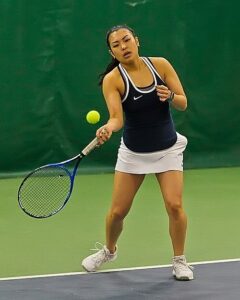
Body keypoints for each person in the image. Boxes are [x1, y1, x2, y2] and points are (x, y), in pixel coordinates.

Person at [82, 24, 193, 281]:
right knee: (117, 213)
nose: (123, 47)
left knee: (175, 205)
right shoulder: (113, 80)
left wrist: (171, 95)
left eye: (126, 40)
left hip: (167, 149)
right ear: (111, 51)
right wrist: (107, 128)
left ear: (137, 41)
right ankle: (109, 250)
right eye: (116, 45)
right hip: (133, 153)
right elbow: (116, 119)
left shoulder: (161, 65)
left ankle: (180, 260)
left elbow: (183, 103)